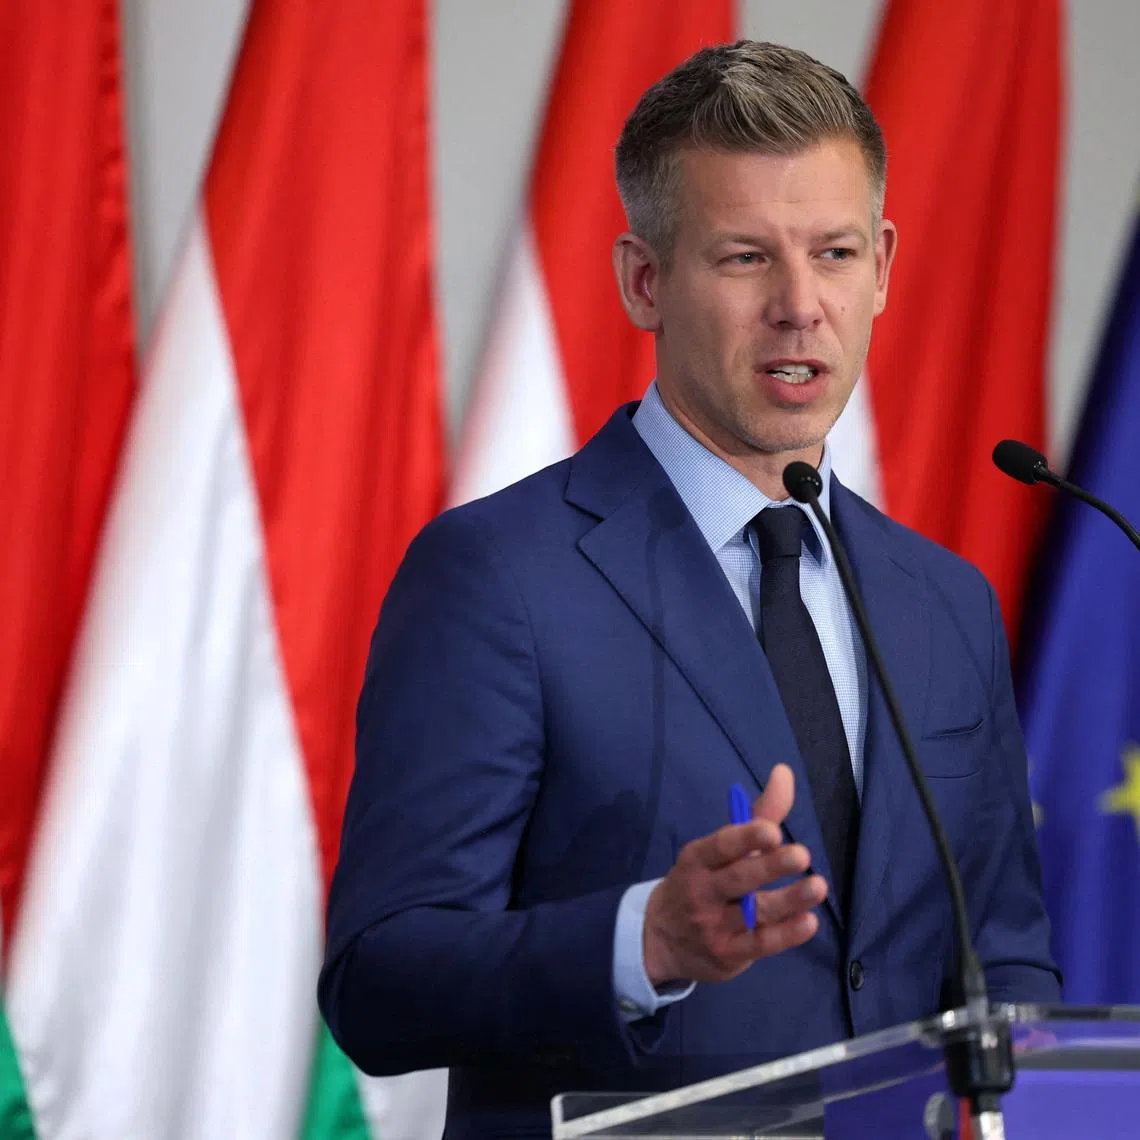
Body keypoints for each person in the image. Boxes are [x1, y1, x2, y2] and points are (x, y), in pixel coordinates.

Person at [318, 40, 1060, 1138]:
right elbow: (379, 982)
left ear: (886, 267)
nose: (802, 306)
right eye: (746, 258)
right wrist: (645, 941)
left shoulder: (942, 600)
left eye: (837, 252)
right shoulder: (498, 576)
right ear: (645, 280)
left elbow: (1003, 963)